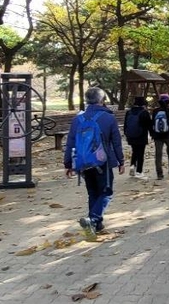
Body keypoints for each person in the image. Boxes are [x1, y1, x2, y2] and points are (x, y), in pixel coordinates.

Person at [64, 87, 126, 235]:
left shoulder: (77, 119)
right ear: (102, 100)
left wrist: (68, 164)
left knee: (93, 192)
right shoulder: (108, 118)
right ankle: (92, 220)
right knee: (106, 192)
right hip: (101, 162)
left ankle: (97, 226)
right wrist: (121, 161)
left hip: (83, 163)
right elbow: (116, 142)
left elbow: (70, 142)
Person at [148, 93, 169, 180]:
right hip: (168, 134)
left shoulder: (155, 111)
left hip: (157, 135)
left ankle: (159, 174)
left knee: (158, 154)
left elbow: (153, 122)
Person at [124, 96, 153, 179]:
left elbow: (126, 125)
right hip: (141, 136)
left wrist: (127, 134)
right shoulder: (144, 112)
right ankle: (139, 172)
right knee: (140, 154)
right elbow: (149, 125)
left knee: (134, 151)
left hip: (131, 136)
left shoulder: (129, 112)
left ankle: (132, 166)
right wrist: (152, 134)